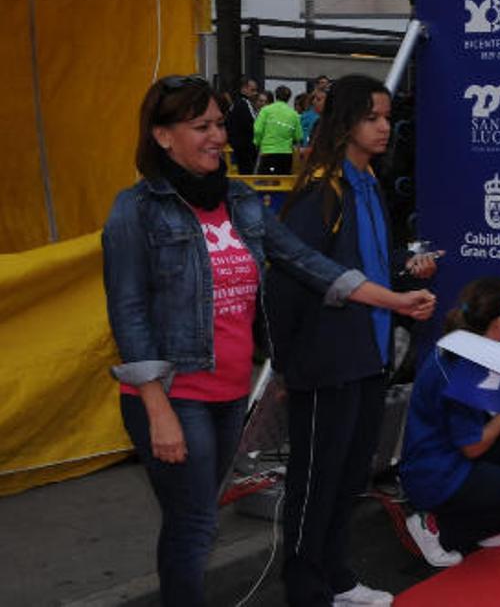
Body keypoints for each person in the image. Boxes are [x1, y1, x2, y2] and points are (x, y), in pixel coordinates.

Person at [101, 75, 437, 607]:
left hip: (230, 390)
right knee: (194, 523)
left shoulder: (239, 199)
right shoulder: (136, 210)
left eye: (219, 124)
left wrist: (393, 299)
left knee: (197, 520)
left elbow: (307, 263)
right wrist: (156, 405)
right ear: (163, 136)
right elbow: (128, 312)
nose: (219, 137)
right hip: (174, 392)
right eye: (202, 127)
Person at [263, 75, 439, 606]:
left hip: (368, 356)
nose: (384, 127)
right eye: (371, 118)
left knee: (347, 477)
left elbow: (370, 267)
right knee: (316, 480)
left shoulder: (367, 182)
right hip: (326, 361)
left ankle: (336, 576)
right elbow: (288, 279)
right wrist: (286, 365)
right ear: (344, 123)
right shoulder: (321, 191)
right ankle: (305, 587)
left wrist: (407, 270)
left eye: (387, 117)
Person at [400, 277, 500, 562]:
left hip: (444, 454)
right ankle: (437, 528)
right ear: (498, 321)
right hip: (438, 473)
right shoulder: (463, 367)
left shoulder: (463, 344)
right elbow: (472, 447)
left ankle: (496, 526)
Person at [254, 85, 304, 174]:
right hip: (286, 155)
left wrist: (257, 142)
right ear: (289, 98)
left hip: (268, 152)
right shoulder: (294, 114)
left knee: (265, 180)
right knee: (283, 180)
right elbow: (298, 136)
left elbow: (258, 130)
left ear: (275, 96)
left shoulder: (266, 110)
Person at [226, 76, 258, 174]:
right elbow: (254, 125)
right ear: (244, 89)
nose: (255, 93)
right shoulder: (245, 103)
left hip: (237, 146)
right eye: (252, 90)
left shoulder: (235, 103)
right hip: (246, 148)